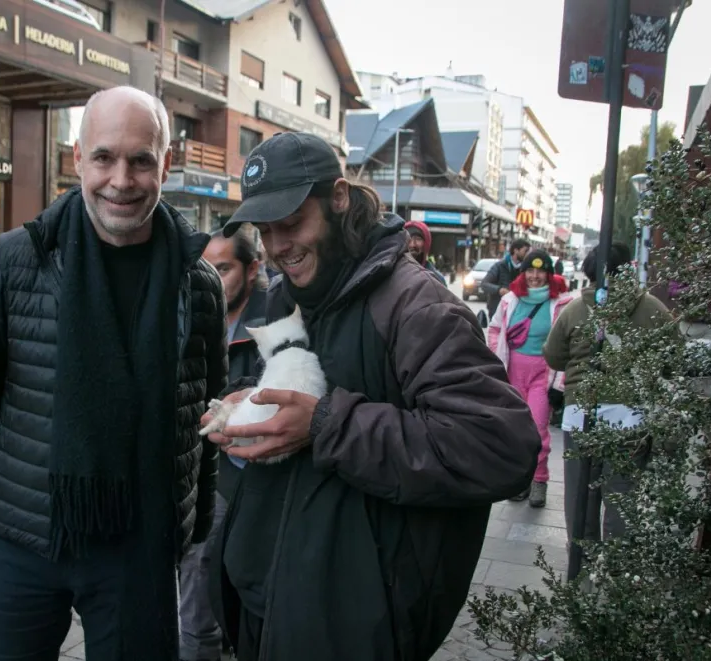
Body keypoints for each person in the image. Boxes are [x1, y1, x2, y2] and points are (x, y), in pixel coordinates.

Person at [202, 132, 540, 661]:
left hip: (357, 623)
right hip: (266, 602)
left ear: (338, 198)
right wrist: (248, 408)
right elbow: (301, 402)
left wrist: (325, 425)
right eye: (265, 231)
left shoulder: (415, 306)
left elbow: (502, 447)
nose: (277, 247)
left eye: (292, 223)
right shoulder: (285, 297)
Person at [0, 86, 227, 661]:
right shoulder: (16, 261)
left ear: (164, 165)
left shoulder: (199, 283)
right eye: (105, 157)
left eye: (141, 161)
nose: (122, 180)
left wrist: (195, 531)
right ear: (78, 159)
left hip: (140, 546)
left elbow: (202, 418)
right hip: (25, 537)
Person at [544, 243, 672, 541]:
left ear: (590, 273)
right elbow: (672, 358)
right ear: (628, 269)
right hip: (631, 420)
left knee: (580, 499)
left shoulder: (574, 310)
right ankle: (615, 573)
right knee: (622, 501)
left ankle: (582, 569)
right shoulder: (652, 308)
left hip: (581, 416)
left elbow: (553, 357)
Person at [179, 225, 267, 661]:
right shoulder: (189, 309)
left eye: (224, 268)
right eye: (206, 267)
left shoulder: (275, 323)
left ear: (252, 270)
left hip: (243, 479)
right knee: (194, 594)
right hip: (194, 474)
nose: (212, 277)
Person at [486, 250, 571, 507]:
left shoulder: (562, 303)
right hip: (512, 371)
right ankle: (519, 481)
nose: (535, 276)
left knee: (537, 428)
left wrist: (560, 383)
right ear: (522, 273)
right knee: (513, 429)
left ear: (549, 273)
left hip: (543, 374)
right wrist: (495, 361)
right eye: (530, 271)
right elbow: (494, 329)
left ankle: (539, 480)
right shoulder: (510, 300)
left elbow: (568, 343)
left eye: (541, 271)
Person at [481, 238, 531, 318]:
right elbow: (484, 284)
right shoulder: (500, 266)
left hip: (517, 310)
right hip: (497, 309)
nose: (527, 254)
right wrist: (499, 290)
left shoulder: (526, 269)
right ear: (516, 250)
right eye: (525, 251)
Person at [403, 220, 446, 284]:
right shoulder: (392, 274)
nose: (413, 244)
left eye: (418, 239)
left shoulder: (437, 279)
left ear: (426, 244)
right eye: (408, 239)